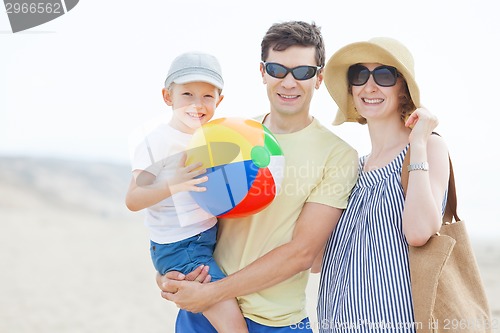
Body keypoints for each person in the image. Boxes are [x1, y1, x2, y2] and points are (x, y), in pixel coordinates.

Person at [156, 21, 358, 332]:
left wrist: (212, 292)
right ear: (262, 71)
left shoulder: (338, 155)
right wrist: (167, 273)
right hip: (205, 312)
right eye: (278, 69)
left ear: (318, 78)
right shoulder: (225, 133)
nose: (289, 82)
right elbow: (180, 213)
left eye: (302, 72)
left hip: (274, 322)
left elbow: (302, 253)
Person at [316, 38, 450, 332]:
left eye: (384, 76)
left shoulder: (428, 148)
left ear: (403, 88)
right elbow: (315, 261)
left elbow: (418, 232)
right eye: (359, 75)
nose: (370, 86)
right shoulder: (350, 168)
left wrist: (417, 141)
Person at [125, 51, 248, 333]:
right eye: (187, 94)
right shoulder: (156, 141)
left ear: (220, 100)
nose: (197, 104)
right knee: (232, 324)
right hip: (183, 247)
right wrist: (173, 183)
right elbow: (133, 199)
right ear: (168, 97)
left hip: (205, 240)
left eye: (207, 96)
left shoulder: (212, 136)